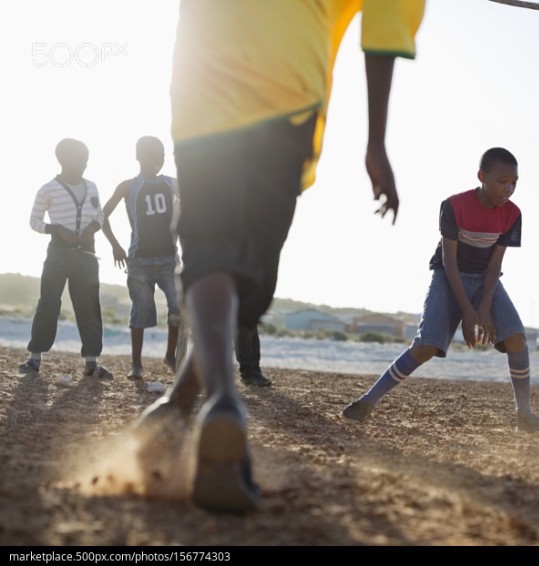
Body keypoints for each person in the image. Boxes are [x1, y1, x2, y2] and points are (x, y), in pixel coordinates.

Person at [131, 1, 426, 514]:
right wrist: (376, 141)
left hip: (207, 74)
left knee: (210, 249)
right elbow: (386, 23)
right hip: (288, 89)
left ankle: (188, 404)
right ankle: (212, 402)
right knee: (245, 276)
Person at [341, 147, 539, 434]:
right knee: (425, 347)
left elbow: (494, 266)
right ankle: (367, 401)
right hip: (447, 277)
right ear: (482, 176)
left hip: (486, 280)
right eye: (502, 181)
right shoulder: (453, 206)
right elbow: (449, 262)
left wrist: (484, 308)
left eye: (514, 182)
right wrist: (467, 312)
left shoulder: (513, 215)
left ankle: (524, 413)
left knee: (516, 338)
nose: (509, 188)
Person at [18, 138, 113, 380]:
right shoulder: (48, 189)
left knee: (89, 307)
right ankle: (34, 359)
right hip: (58, 254)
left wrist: (93, 227)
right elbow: (34, 221)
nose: (84, 162)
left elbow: (100, 215)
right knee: (48, 303)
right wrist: (56, 229)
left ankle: (92, 362)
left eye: (86, 158)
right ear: (62, 159)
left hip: (87, 255)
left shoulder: (91, 187)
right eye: (79, 158)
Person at [101, 136, 181, 380]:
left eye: (161, 155)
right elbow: (103, 216)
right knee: (141, 311)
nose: (157, 160)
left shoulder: (172, 184)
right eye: (151, 155)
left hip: (169, 260)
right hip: (139, 261)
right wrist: (115, 246)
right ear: (138, 157)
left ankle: (170, 356)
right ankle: (136, 364)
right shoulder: (128, 186)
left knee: (178, 307)